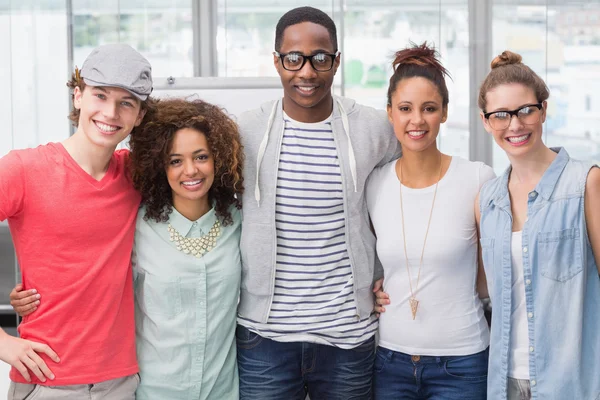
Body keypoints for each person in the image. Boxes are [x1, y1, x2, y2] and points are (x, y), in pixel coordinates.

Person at [235, 6, 400, 400]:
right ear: (276, 62)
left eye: (320, 58)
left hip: (348, 336)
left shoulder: (374, 128)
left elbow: (410, 193)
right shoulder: (244, 132)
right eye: (293, 58)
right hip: (264, 338)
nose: (306, 72)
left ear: (336, 62)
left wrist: (393, 271)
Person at [0, 43, 153, 399]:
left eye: (126, 102)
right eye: (100, 95)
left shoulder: (138, 174)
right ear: (78, 95)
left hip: (122, 382)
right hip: (47, 380)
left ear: (140, 116)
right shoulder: (23, 170)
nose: (111, 112)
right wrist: (3, 343)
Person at [367, 43, 493, 400]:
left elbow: (489, 276)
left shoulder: (477, 179)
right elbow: (375, 260)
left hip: (462, 363)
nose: (416, 120)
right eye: (405, 109)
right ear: (390, 113)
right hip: (390, 360)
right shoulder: (375, 183)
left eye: (429, 109)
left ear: (445, 113)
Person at [475, 50, 600, 400]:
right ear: (486, 121)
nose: (514, 125)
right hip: (504, 383)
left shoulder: (585, 183)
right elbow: (483, 288)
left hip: (572, 383)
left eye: (525, 110)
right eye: (501, 115)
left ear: (543, 110)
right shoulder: (488, 199)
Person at [127, 98, 244, 399]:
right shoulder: (137, 228)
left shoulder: (240, 222)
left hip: (223, 392)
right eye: (175, 160)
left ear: (217, 158)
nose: (190, 170)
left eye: (201, 156)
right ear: (159, 166)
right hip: (155, 391)